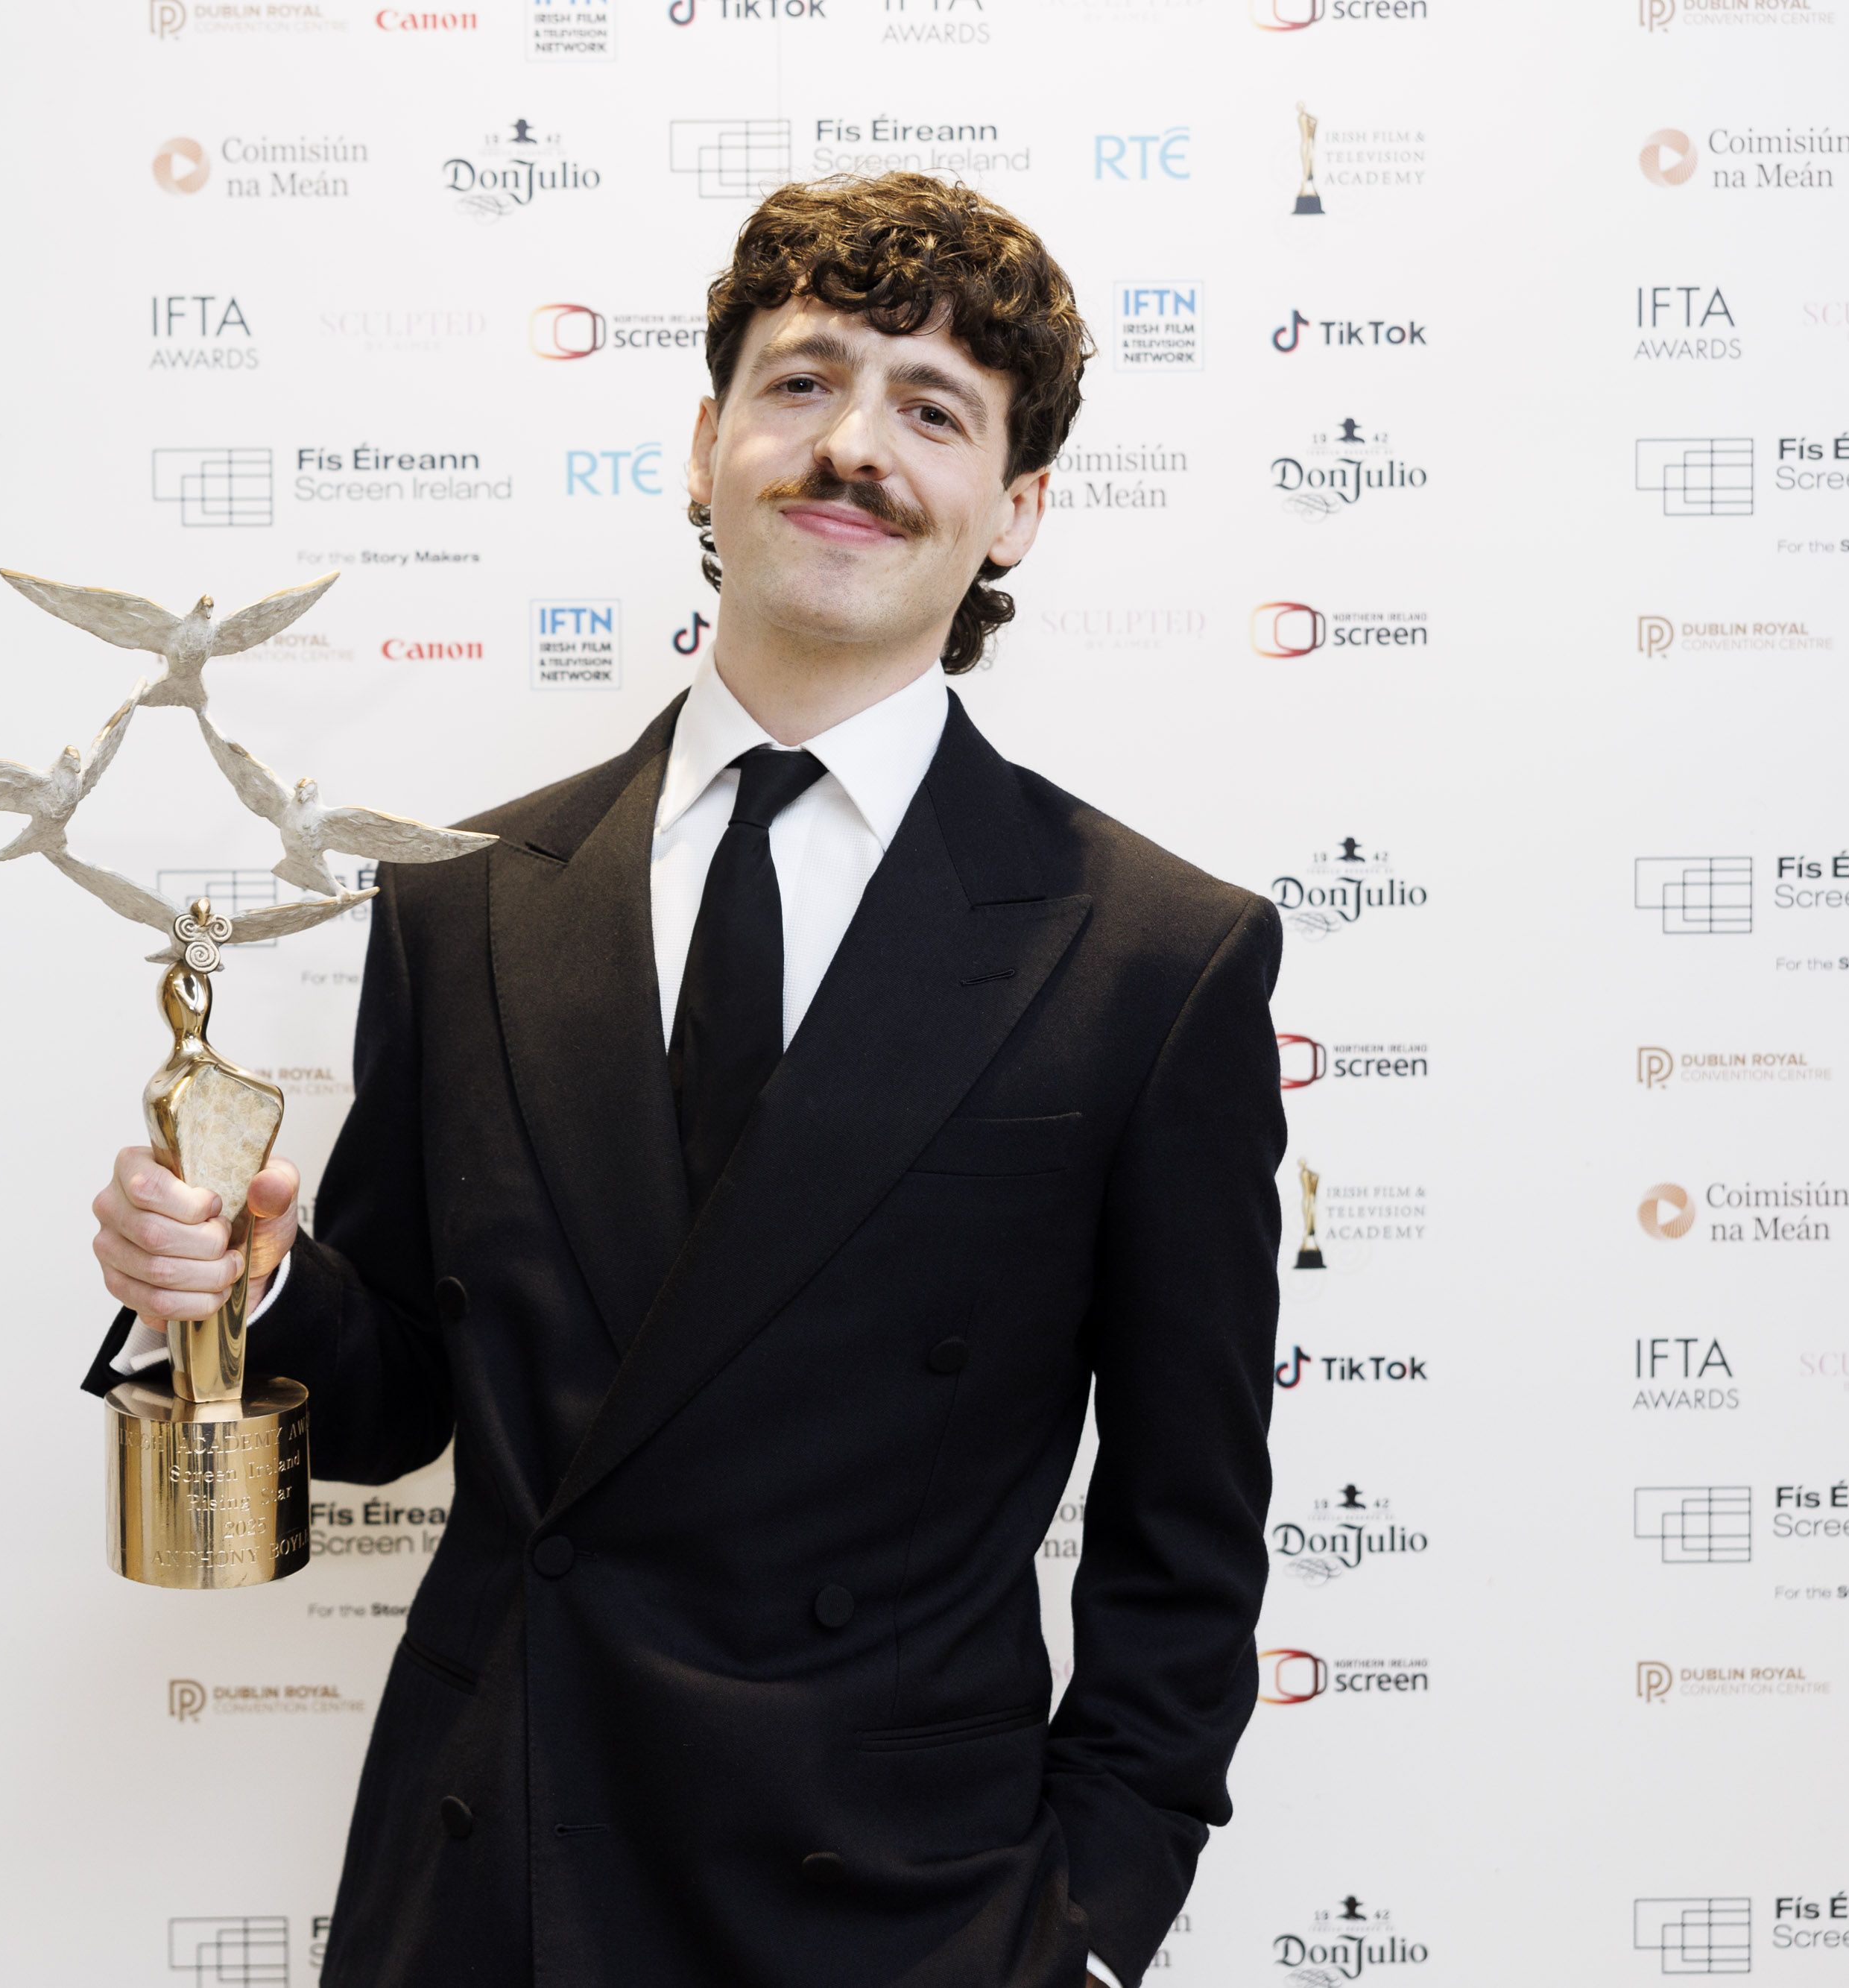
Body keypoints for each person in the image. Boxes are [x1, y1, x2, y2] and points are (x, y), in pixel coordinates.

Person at [86, 172, 1284, 1988]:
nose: (851, 445)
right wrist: (252, 1285)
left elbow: (1183, 1533)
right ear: (704, 442)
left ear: (1015, 509)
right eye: (800, 383)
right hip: (494, 1878)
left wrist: (1087, 1932)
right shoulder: (460, 890)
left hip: (900, 1914)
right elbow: (403, 1399)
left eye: (931, 409)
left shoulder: (1150, 956)